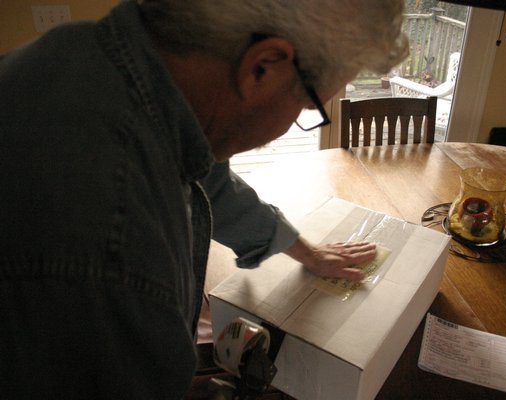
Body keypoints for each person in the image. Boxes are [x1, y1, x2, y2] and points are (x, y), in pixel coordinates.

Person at [0, 0, 409, 398]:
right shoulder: (114, 249)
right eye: (308, 104)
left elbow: (210, 180)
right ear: (262, 66)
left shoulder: (92, 54)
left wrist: (306, 251)